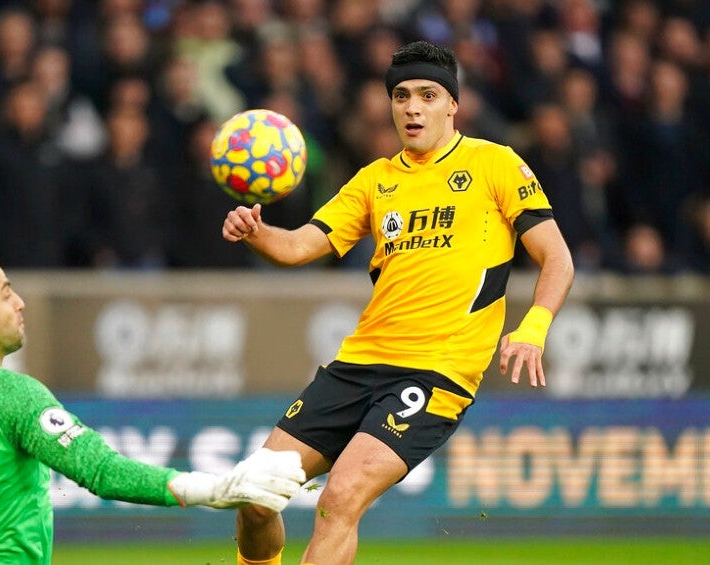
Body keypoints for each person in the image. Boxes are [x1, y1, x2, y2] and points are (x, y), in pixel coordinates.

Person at [222, 41, 574, 565]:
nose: (413, 107)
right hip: (356, 365)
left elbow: (557, 258)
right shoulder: (376, 180)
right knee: (254, 495)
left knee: (340, 499)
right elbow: (299, 247)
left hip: (434, 374)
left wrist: (533, 328)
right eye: (402, 95)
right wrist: (256, 231)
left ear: (452, 105)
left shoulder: (493, 163)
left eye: (428, 96)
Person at [0, 246, 306, 564]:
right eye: (6, 293)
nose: (20, 302)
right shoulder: (10, 394)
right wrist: (214, 489)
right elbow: (102, 471)